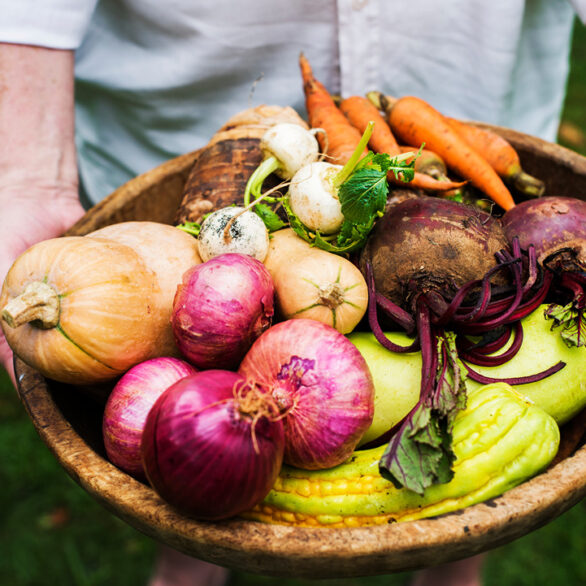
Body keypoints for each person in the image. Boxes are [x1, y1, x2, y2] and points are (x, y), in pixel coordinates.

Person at [1, 1, 585, 585]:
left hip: (465, 103)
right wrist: (29, 181)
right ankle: (189, 554)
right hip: (188, 124)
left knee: (472, 468)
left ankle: (456, 566)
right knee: (190, 462)